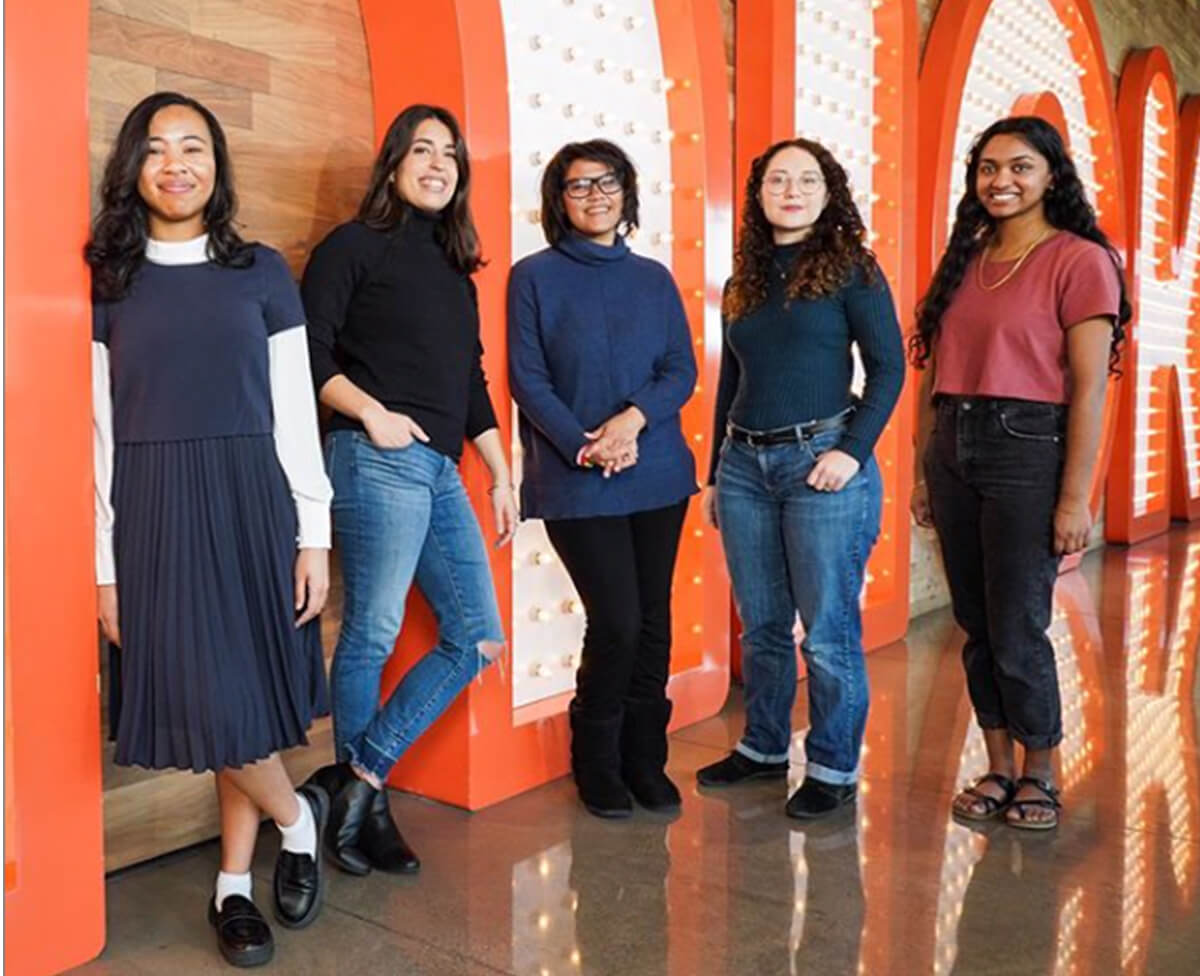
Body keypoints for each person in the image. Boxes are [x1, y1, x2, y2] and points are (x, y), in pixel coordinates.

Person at [89, 92, 333, 967]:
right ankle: (299, 817)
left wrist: (315, 535)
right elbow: (97, 433)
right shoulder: (107, 278)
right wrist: (102, 568)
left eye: (194, 147)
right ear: (134, 168)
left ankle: (233, 886)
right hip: (153, 506)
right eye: (156, 150)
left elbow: (296, 413)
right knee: (214, 700)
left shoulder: (262, 270)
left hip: (250, 498)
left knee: (245, 703)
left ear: (218, 165)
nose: (176, 163)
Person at [302, 104, 516, 872]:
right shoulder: (353, 247)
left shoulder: (457, 271)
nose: (436, 163)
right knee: (374, 632)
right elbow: (307, 353)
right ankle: (369, 814)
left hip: (440, 468)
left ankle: (356, 781)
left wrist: (500, 469)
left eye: (449, 154)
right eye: (420, 150)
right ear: (393, 164)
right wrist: (372, 414)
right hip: (374, 455)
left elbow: (471, 381)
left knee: (477, 637)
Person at [909, 116, 1129, 830]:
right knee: (974, 623)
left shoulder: (1079, 259)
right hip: (955, 442)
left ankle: (1041, 771)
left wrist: (1075, 499)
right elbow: (933, 373)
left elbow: (1090, 388)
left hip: (1027, 445)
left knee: (1017, 624)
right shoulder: (966, 259)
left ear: (1052, 176)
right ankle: (999, 765)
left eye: (1020, 167)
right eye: (988, 168)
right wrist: (922, 467)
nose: (1001, 180)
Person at [695, 138, 905, 820]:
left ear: (828, 191)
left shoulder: (852, 270)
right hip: (744, 466)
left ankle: (834, 767)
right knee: (760, 626)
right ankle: (761, 749)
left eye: (806, 179)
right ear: (759, 194)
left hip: (821, 462)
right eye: (777, 179)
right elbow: (732, 377)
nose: (791, 189)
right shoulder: (743, 283)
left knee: (827, 632)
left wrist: (850, 450)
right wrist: (714, 477)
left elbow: (888, 368)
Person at [507, 139, 697, 818]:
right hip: (575, 475)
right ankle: (596, 762)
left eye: (607, 182)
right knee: (615, 619)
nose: (595, 195)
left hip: (657, 469)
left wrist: (631, 424)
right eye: (578, 185)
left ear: (627, 191)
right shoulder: (532, 275)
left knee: (652, 620)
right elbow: (527, 378)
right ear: (558, 200)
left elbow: (681, 368)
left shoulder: (654, 278)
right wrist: (586, 445)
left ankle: (646, 759)